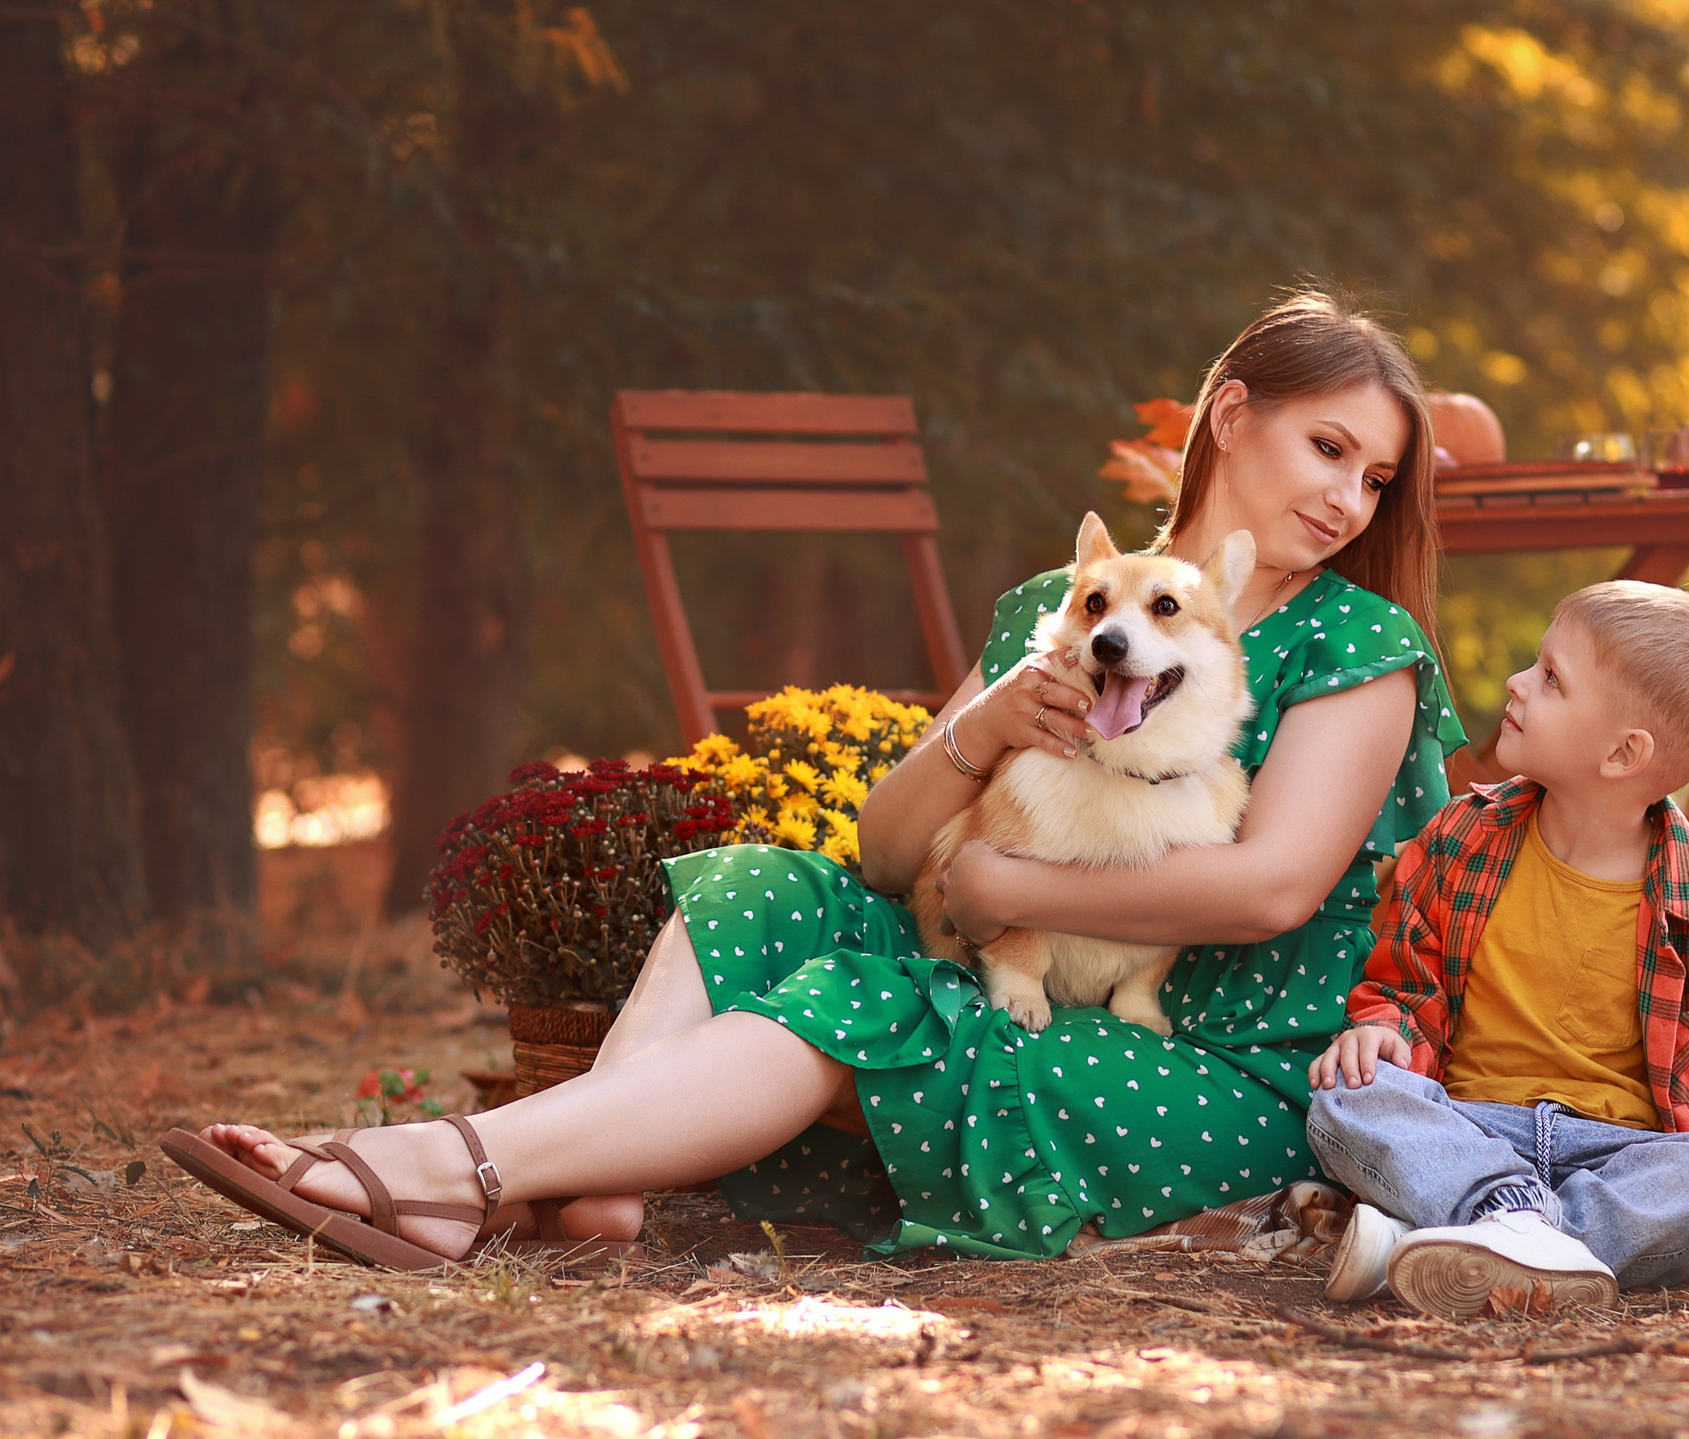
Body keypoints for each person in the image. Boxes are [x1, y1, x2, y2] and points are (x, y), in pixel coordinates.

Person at [173, 290, 1466, 1265]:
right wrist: (992, 726)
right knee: (761, 888)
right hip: (1003, 967)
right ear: (1234, 414)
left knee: (868, 1002)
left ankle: (444, 1169)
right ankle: (583, 1173)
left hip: (1207, 1052)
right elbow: (892, 852)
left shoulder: (1357, 645)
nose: (1352, 497)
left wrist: (1000, 874)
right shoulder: (1056, 612)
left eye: (1377, 475)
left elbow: (1269, 890)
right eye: (1330, 449)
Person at [1304, 581, 1689, 1319]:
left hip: (1617, 1155)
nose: (1517, 683)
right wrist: (1380, 1034)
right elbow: (1404, 985)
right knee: (1346, 1095)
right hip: (1468, 1127)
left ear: (1623, 753)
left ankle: (1453, 1237)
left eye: (1551, 678)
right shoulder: (1462, 838)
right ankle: (1529, 1235)